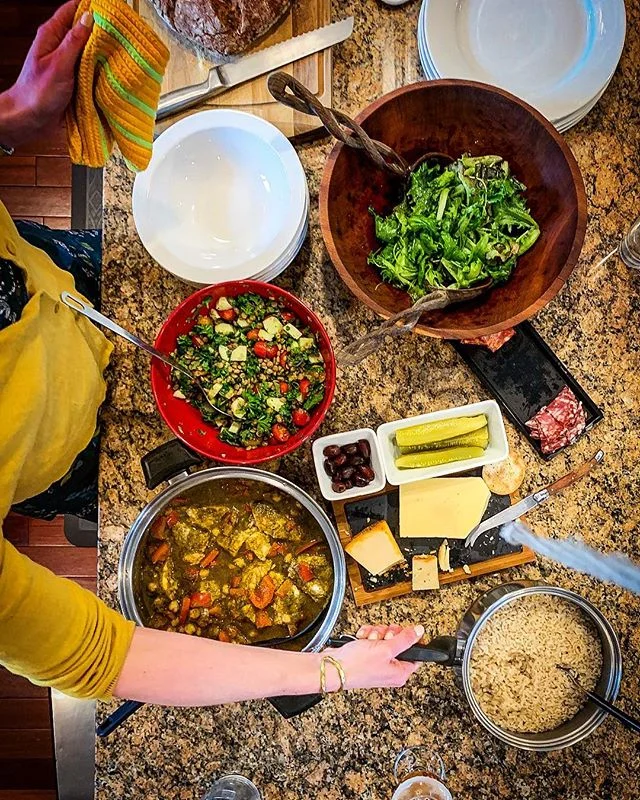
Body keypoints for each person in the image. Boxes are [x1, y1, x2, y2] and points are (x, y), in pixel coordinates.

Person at [0, 1, 424, 706]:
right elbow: (100, 655)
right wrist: (332, 670)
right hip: (62, 454)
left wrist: (12, 122)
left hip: (65, 289)